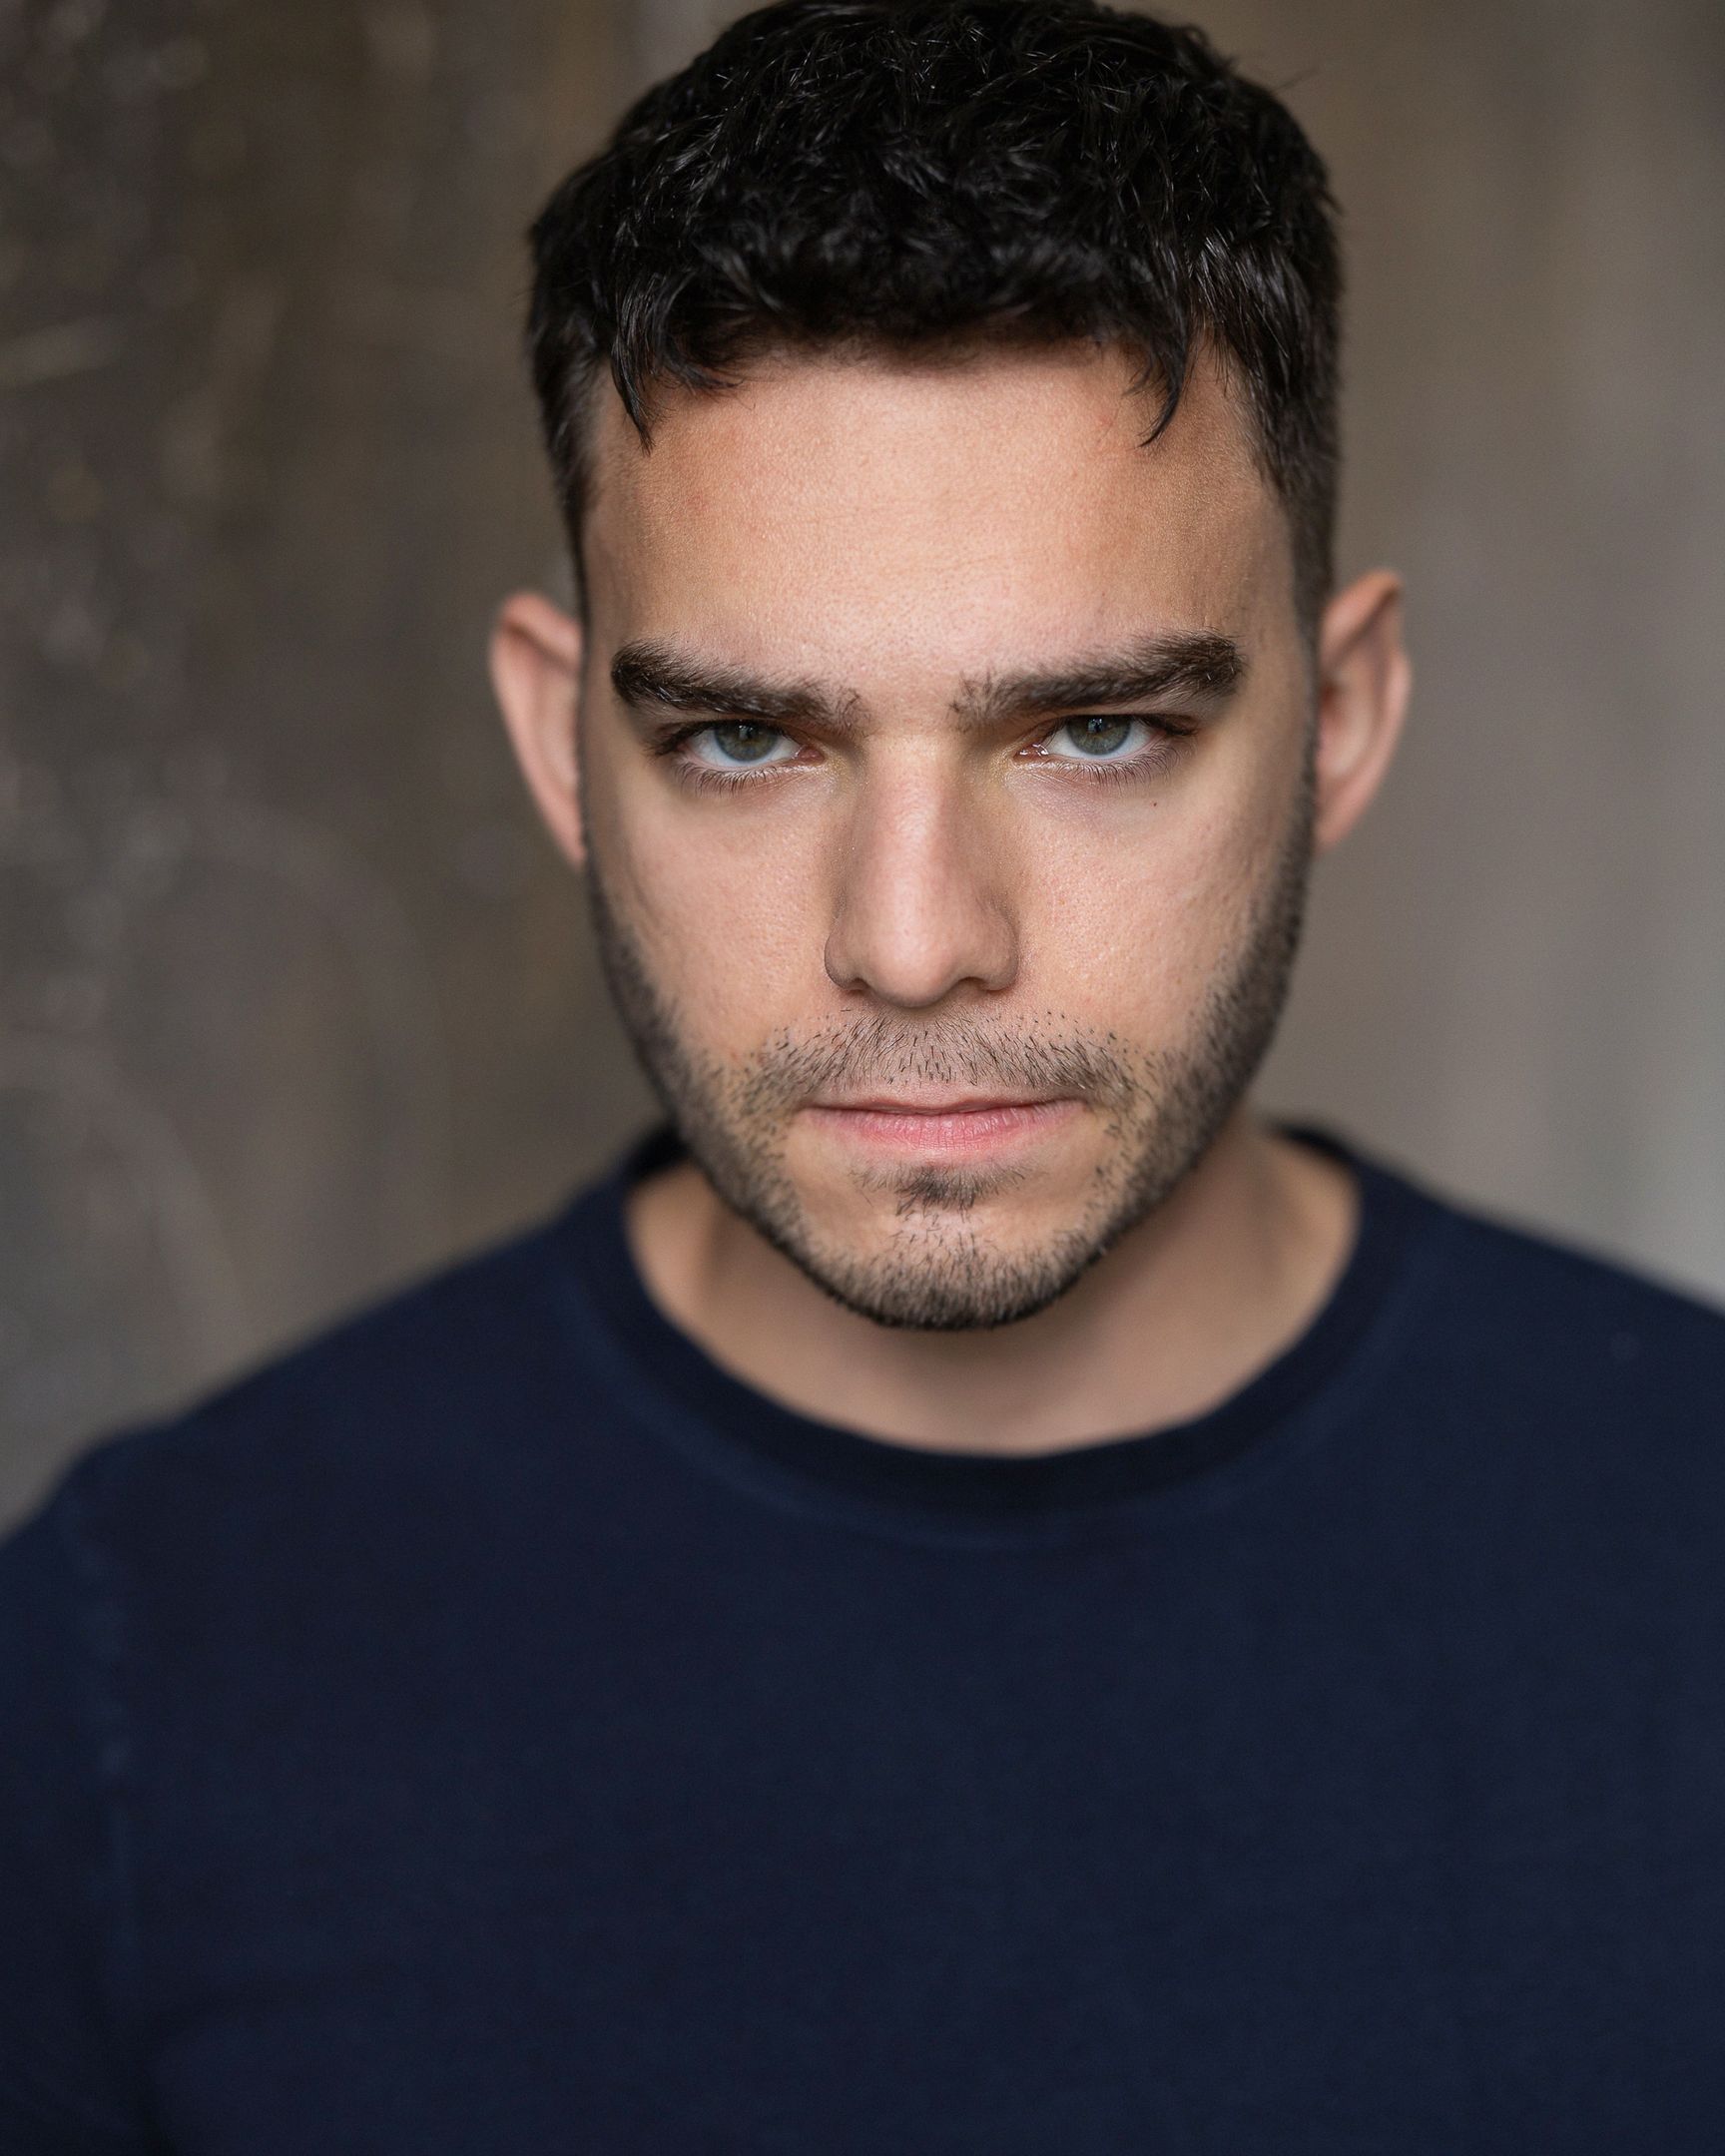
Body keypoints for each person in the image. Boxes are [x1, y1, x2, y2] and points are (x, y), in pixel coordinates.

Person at [3, 0, 1723, 2145]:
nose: (912, 943)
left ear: (1345, 718)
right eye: (746, 739)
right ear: (561, 745)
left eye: (1099, 733)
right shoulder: (138, 1675)